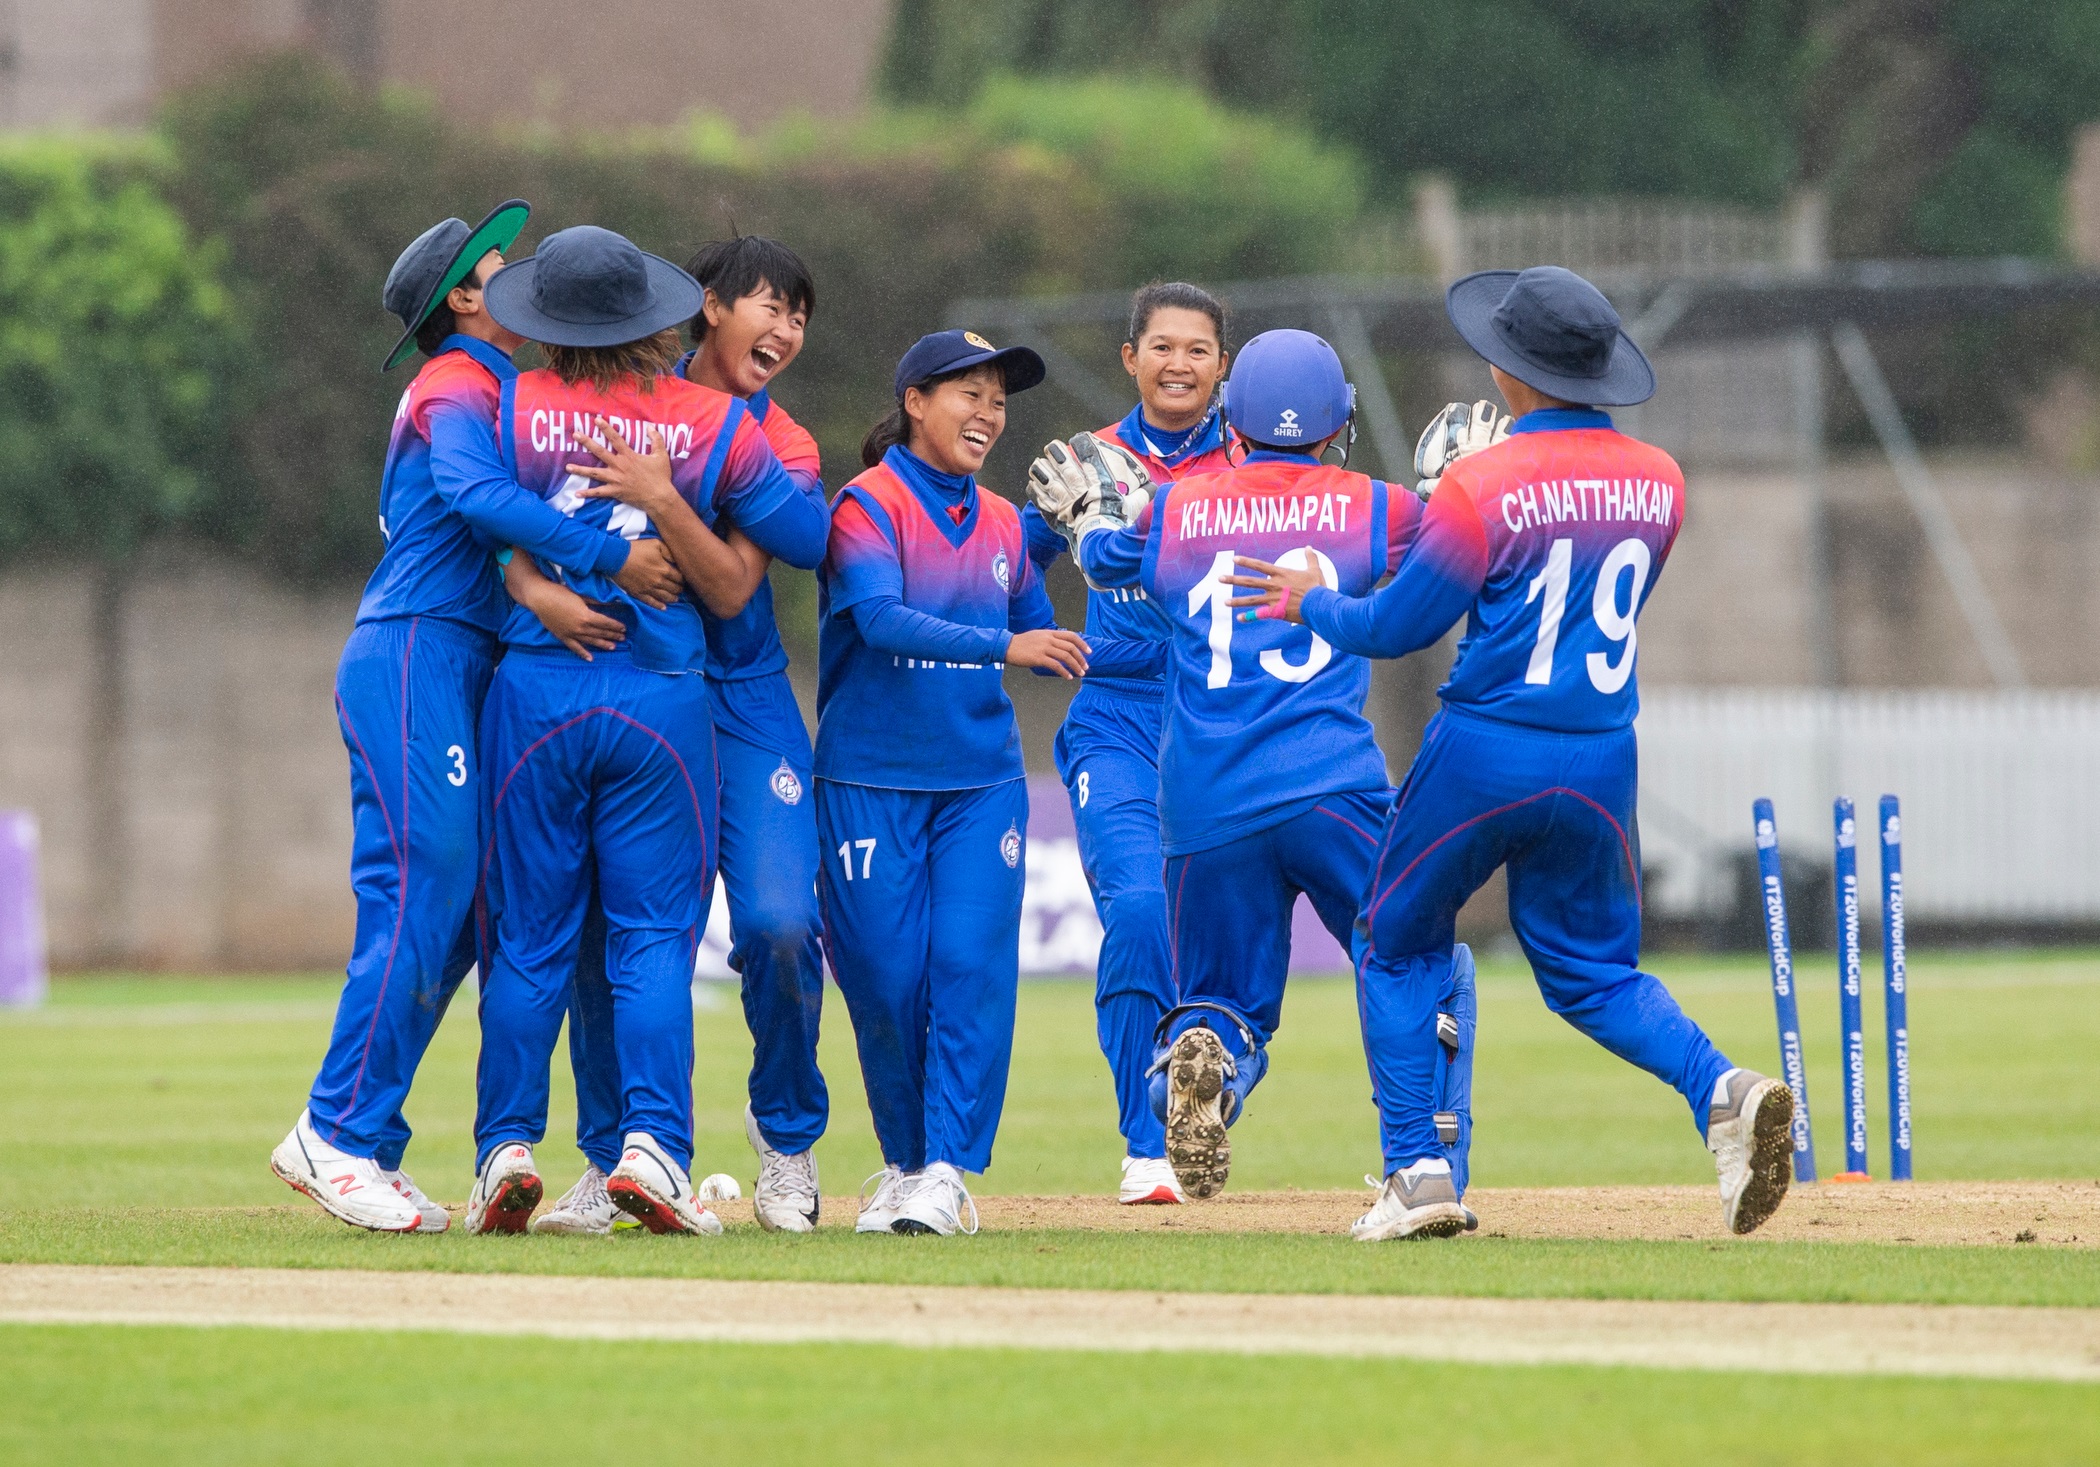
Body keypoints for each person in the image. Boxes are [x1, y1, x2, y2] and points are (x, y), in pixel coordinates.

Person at [1227, 266, 1795, 1241]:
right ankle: (1723, 1090)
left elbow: (1400, 627)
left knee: (1393, 939)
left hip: (1487, 748)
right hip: (1603, 755)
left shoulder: (1477, 485)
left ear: (1506, 369)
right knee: (1593, 972)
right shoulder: (1662, 480)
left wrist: (1307, 600)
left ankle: (1417, 1173)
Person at [269, 202, 684, 1234]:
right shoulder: (456, 379)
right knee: (427, 886)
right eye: (502, 265)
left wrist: (536, 580)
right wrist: (601, 562)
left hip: (465, 662)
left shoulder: (515, 387)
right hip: (416, 649)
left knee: (458, 911)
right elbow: (468, 492)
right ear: (465, 295)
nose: (523, 275)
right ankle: (334, 1130)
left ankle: (371, 1138)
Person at [464, 226, 827, 1236]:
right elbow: (810, 538)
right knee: (643, 943)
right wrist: (563, 568)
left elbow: (478, 510)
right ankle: (638, 1149)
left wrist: (538, 573)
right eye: (771, 307)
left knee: (762, 926)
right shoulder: (715, 421)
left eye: (800, 318)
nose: (785, 330)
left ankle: (507, 1147)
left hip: (609, 692)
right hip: (658, 693)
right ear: (693, 308)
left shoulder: (511, 403)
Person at [1043, 329, 1424, 1202]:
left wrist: (1090, 520)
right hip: (1332, 782)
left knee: (1216, 997)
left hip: (1206, 797)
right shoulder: (1376, 505)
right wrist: (1458, 488)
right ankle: (1429, 1157)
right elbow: (1455, 555)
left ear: (1233, 418)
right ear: (1338, 424)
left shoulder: (1179, 507)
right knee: (1410, 950)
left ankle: (1205, 1065)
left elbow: (1108, 561)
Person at [818, 330, 1096, 1236]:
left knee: (970, 970)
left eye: (998, 399)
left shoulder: (1007, 523)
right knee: (886, 979)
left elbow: (1040, 632)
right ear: (915, 402)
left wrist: (1079, 540)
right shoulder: (866, 505)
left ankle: (945, 1171)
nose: (987, 412)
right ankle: (903, 1165)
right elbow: (880, 618)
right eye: (968, 393)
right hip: (869, 779)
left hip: (980, 782)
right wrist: (1005, 645)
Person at [1018, 282, 1234, 1205]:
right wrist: (1034, 634)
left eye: (1198, 349)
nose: (1179, 363)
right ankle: (1149, 1145)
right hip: (1116, 718)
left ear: (1223, 364)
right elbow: (1009, 555)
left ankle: (1208, 1104)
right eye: (1162, 346)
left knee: (1219, 948)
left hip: (1228, 722)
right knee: (1141, 914)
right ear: (1130, 357)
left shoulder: (1256, 463)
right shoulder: (1085, 463)